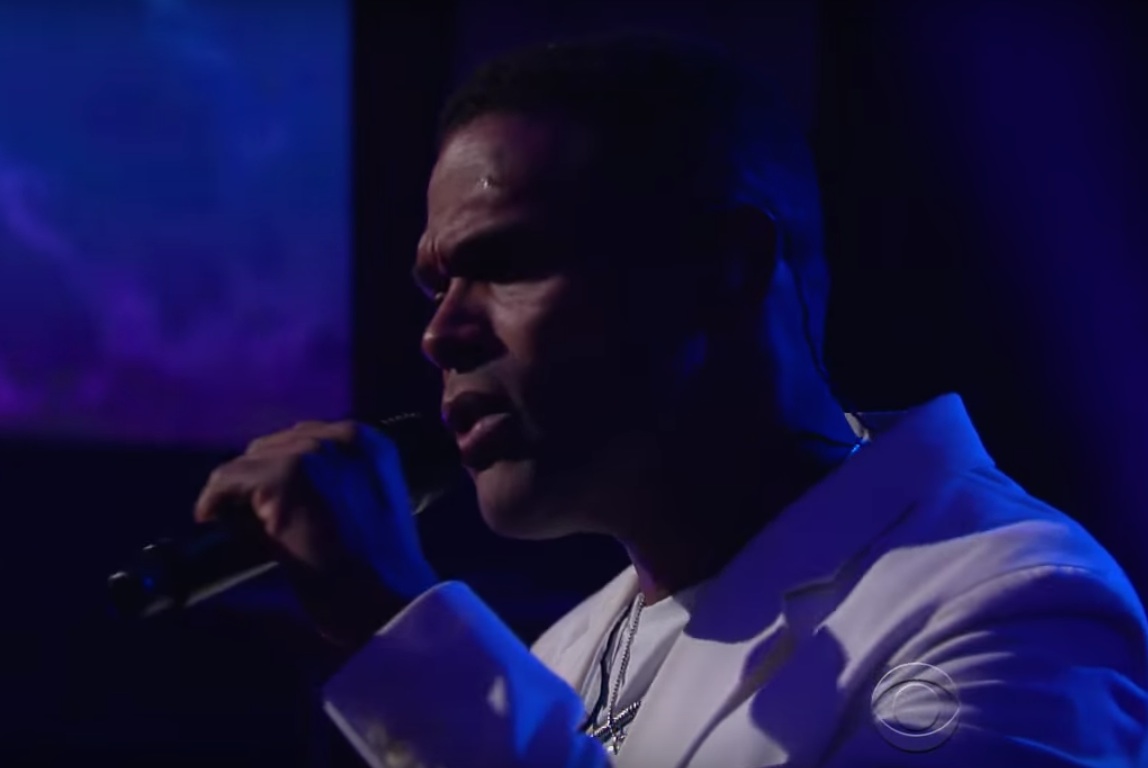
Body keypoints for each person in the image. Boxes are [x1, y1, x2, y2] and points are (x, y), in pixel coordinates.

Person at [195, 35, 1148, 767]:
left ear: (726, 268)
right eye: (437, 286)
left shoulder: (1016, 610)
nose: (441, 335)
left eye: (508, 263)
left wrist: (395, 627)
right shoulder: (567, 650)